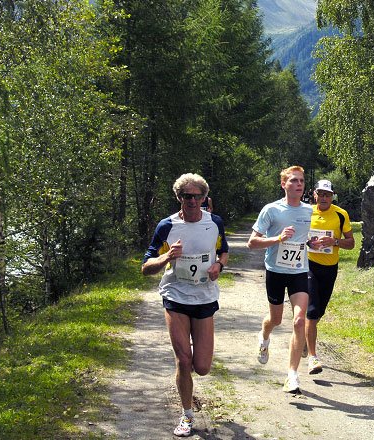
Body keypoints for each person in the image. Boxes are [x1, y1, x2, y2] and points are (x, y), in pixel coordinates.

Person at [142, 173, 229, 437]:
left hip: (204, 297)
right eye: (186, 196)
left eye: (197, 196)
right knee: (183, 358)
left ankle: (188, 377)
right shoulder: (166, 226)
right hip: (175, 296)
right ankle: (187, 414)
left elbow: (223, 250)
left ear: (205, 198)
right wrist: (167, 255)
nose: (192, 201)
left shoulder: (214, 222)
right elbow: (146, 267)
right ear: (179, 197)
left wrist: (218, 265)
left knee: (201, 366)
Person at [247, 165, 320, 394]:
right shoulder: (271, 210)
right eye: (294, 181)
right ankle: (264, 336)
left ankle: (292, 375)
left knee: (299, 321)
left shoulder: (309, 211)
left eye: (301, 181)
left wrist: (311, 243)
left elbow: (304, 239)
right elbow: (252, 242)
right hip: (276, 271)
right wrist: (277, 238)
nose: (299, 185)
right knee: (275, 320)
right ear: (283, 184)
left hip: (299, 271)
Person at [304, 179, 355, 375]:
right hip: (309, 265)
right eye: (320, 194)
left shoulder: (341, 214)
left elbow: (351, 243)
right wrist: (308, 243)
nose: (324, 198)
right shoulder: (306, 212)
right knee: (312, 311)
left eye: (327, 194)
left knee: (319, 313)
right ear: (314, 194)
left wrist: (334, 241)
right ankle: (313, 357)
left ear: (332, 196)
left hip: (329, 269)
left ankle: (304, 338)